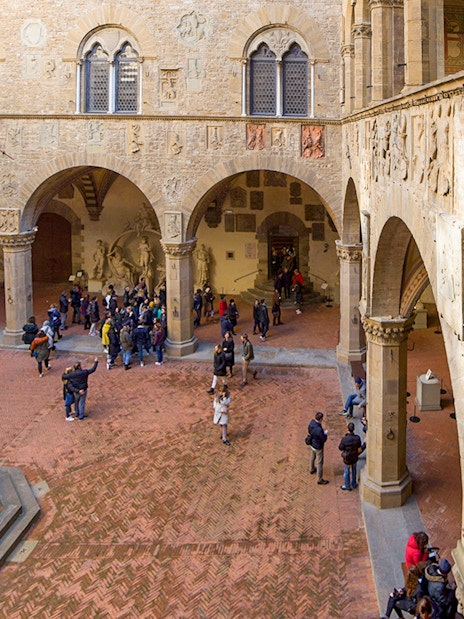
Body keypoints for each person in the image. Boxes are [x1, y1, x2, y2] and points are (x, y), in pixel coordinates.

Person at [338, 421, 363, 490]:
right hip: (354, 456)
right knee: (354, 469)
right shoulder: (357, 438)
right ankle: (354, 483)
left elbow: (340, 448)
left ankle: (347, 485)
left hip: (347, 458)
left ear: (348, 429)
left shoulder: (344, 439)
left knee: (346, 471)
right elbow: (359, 447)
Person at [307, 411, 329, 485]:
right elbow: (323, 439)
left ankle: (311, 468)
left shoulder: (311, 423)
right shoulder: (319, 430)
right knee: (319, 462)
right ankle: (319, 479)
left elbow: (309, 431)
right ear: (321, 419)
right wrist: (325, 434)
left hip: (312, 443)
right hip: (318, 446)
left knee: (312, 456)